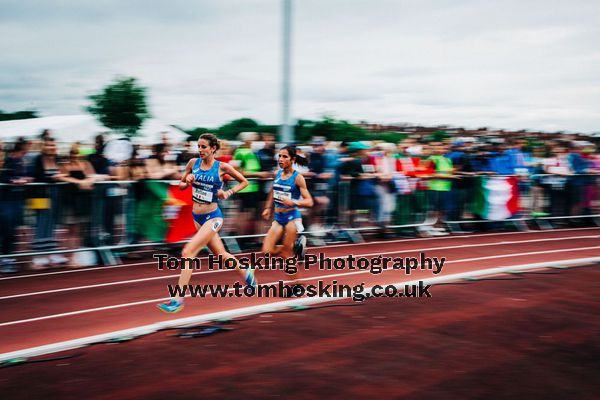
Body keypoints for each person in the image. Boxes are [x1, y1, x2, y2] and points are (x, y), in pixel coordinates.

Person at [158, 134, 254, 313]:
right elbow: (180, 186)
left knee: (188, 251)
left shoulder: (222, 167)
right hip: (197, 217)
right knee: (221, 255)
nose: (200, 150)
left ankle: (178, 300)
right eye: (199, 147)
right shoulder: (193, 163)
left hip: (213, 217)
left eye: (204, 147)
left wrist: (228, 192)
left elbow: (244, 182)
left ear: (213, 149)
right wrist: (186, 182)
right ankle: (247, 273)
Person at [261, 145, 314, 295]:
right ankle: (297, 247)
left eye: (284, 157)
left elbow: (309, 202)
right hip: (278, 218)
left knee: (285, 254)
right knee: (267, 251)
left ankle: (296, 284)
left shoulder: (298, 178)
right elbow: (272, 191)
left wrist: (294, 202)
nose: (281, 159)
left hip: (292, 218)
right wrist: (267, 208)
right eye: (279, 156)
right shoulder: (278, 174)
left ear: (293, 159)